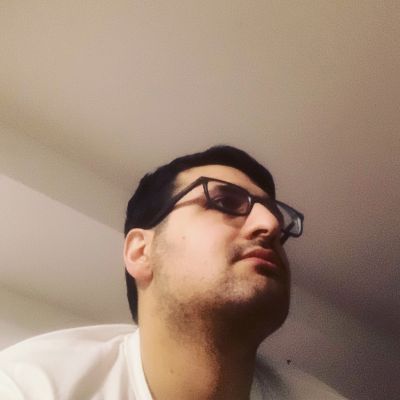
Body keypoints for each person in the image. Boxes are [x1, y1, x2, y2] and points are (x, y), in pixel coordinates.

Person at [0, 145, 346, 399]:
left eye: (275, 216)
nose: (270, 224)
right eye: (225, 202)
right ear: (141, 251)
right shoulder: (31, 387)